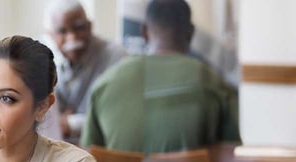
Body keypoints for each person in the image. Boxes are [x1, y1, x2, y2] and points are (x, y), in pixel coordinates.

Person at [80, 0, 240, 153]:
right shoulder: (214, 82)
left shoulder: (105, 84)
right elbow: (234, 157)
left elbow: (88, 155)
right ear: (191, 32)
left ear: (144, 32)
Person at [46, 0, 126, 143]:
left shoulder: (115, 56)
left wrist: (70, 123)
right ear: (51, 35)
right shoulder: (45, 58)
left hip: (100, 153)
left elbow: (115, 118)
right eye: (62, 31)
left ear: (90, 26)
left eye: (78, 28)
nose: (72, 38)